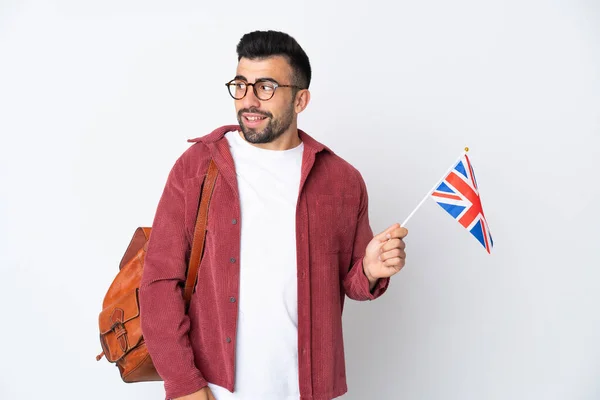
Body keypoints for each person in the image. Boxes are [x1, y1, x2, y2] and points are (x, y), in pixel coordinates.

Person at [139, 30, 408, 400]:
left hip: (309, 389)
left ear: (301, 99)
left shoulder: (342, 181)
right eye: (240, 85)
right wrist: (184, 384)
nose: (249, 100)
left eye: (265, 87)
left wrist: (370, 270)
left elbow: (351, 283)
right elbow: (157, 282)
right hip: (215, 389)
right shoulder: (199, 166)